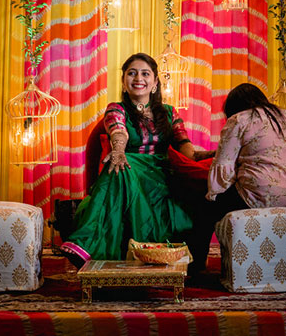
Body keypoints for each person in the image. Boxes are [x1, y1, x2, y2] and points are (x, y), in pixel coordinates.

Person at [60, 53, 202, 268]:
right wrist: (118, 149)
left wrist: (215, 155)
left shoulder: (170, 113)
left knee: (120, 167)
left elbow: (185, 147)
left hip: (161, 178)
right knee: (120, 166)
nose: (138, 78)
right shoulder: (117, 109)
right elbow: (118, 130)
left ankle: (85, 245)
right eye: (132, 73)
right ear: (124, 82)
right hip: (127, 170)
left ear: (155, 82)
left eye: (145, 74)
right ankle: (92, 250)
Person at [184, 82, 286, 274]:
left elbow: (223, 167)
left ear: (233, 108)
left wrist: (214, 194)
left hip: (261, 195)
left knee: (203, 207)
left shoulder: (239, 119)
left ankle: (195, 267)